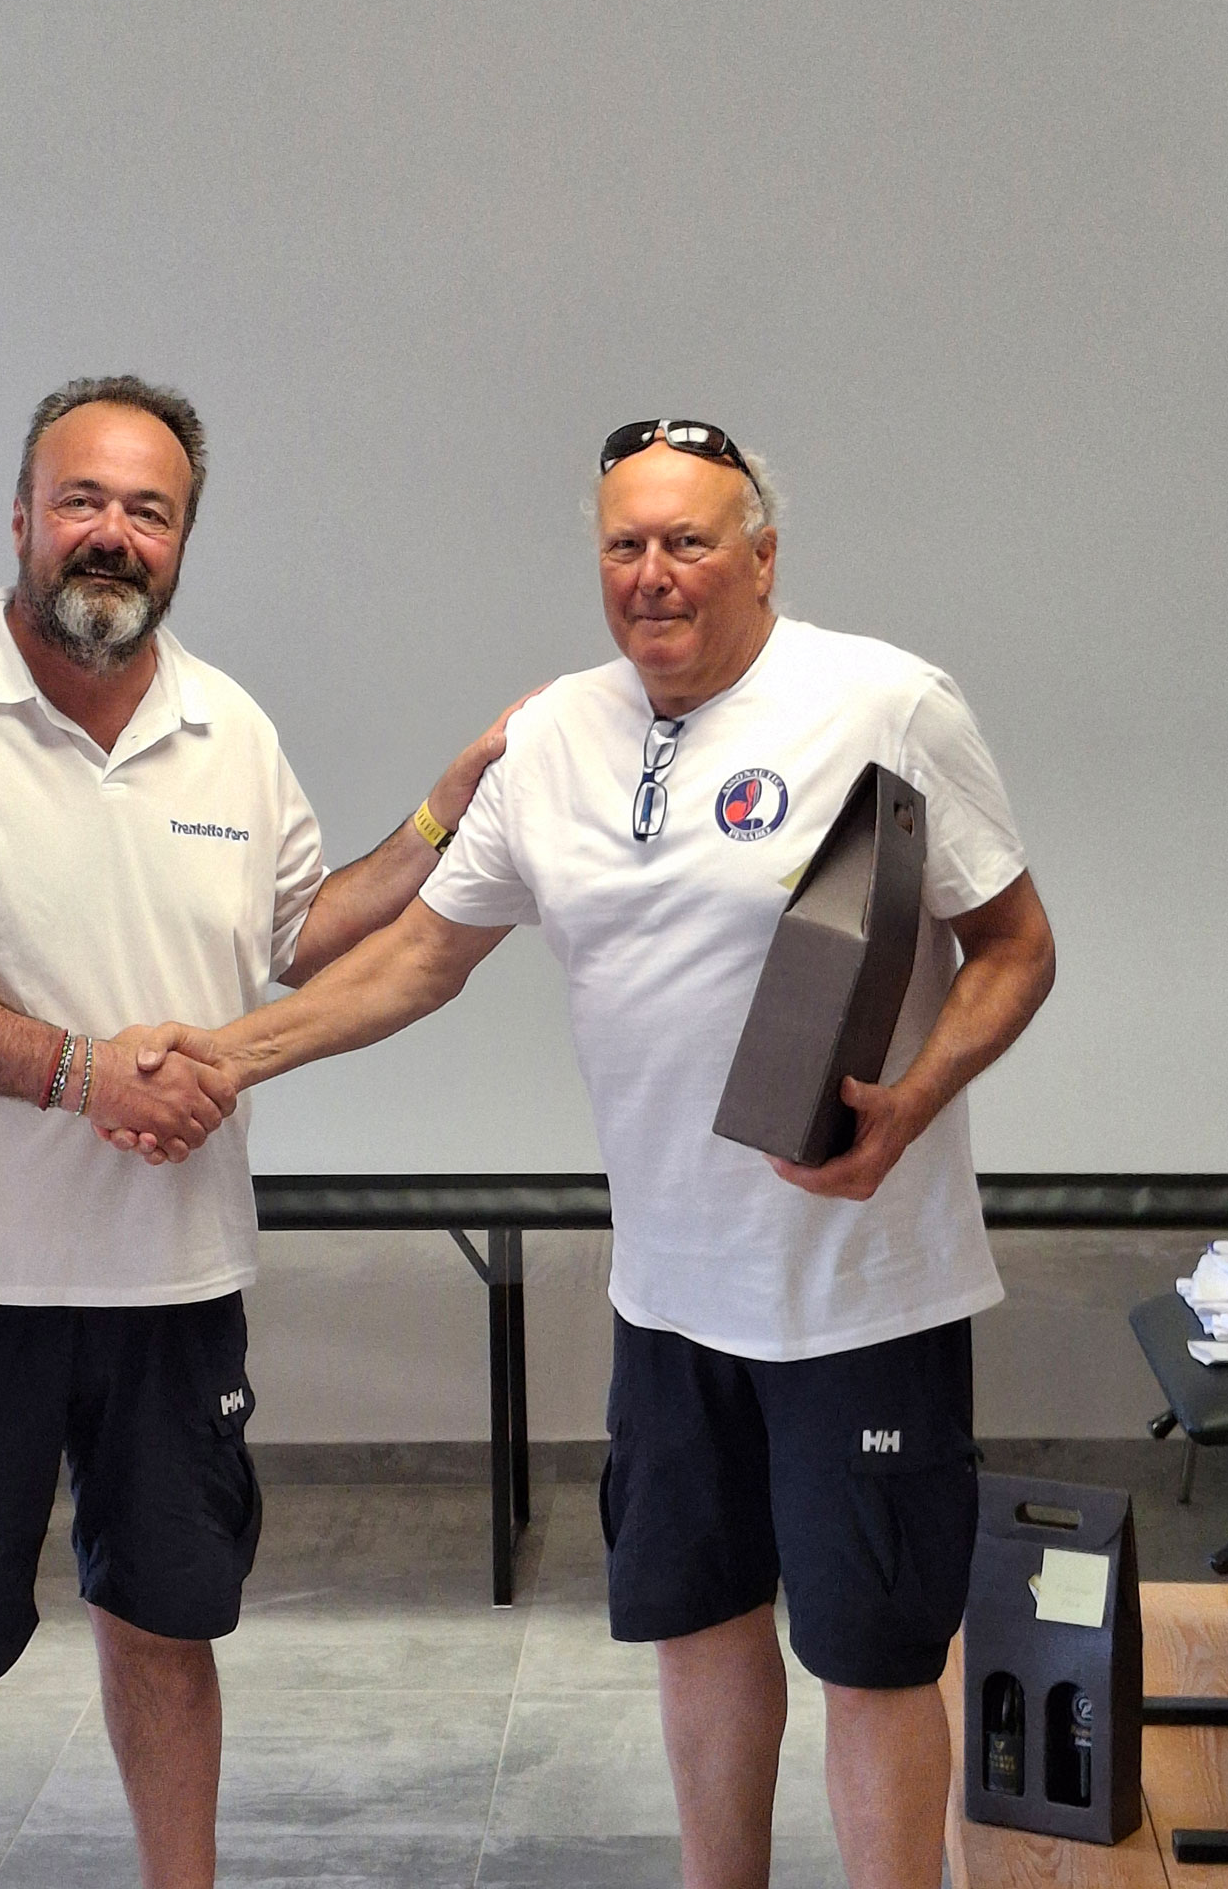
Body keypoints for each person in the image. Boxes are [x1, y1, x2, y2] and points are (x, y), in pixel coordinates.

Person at [111, 418, 1057, 1889]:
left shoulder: (886, 704)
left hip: (859, 1297)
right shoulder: (555, 735)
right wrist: (227, 1056)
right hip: (667, 1301)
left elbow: (1013, 947)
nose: (652, 573)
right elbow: (420, 957)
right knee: (698, 1629)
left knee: (874, 1660)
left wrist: (912, 1103)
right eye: (624, 545)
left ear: (761, 558)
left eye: (687, 542)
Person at [0, 373, 517, 1889]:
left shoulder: (227, 727)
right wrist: (82, 1075)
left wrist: (443, 816)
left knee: (171, 1626)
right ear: (19, 517)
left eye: (150, 510)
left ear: (183, 540)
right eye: (82, 500)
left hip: (171, 1282)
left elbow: (305, 933)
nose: (112, 535)